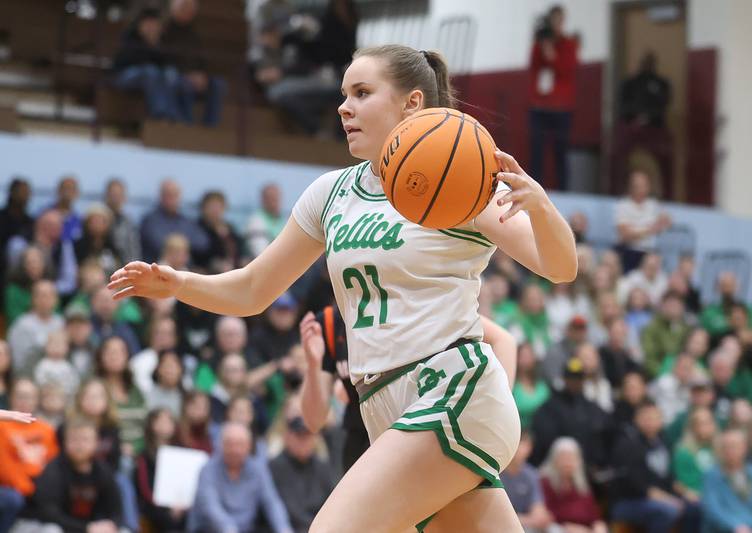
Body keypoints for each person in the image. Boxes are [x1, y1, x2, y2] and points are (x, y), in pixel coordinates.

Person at [108, 43, 577, 532]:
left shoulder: (460, 175)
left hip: (452, 391)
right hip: (384, 406)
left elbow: (559, 267)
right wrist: (178, 283)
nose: (343, 106)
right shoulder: (331, 193)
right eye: (343, 94)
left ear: (411, 104)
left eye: (361, 92)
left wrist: (541, 209)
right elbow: (252, 290)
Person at [299, 306, 517, 472]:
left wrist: (495, 419)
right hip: (364, 442)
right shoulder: (329, 323)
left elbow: (504, 340)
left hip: (428, 434)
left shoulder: (413, 297)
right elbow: (314, 420)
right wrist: (313, 364)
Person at [19, 417, 124, 533]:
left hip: (85, 526)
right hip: (39, 525)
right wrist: (86, 528)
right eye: (74, 439)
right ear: (65, 442)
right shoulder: (53, 470)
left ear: (96, 442)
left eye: (85, 440)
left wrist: (112, 524)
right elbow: (48, 514)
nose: (79, 445)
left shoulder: (103, 471)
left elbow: (116, 510)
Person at [609, 400, 700, 533]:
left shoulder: (663, 442)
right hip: (629, 501)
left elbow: (671, 478)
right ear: (636, 419)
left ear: (661, 420)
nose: (650, 422)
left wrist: (687, 493)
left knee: (695, 507)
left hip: (660, 498)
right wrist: (670, 500)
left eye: (655, 418)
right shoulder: (627, 444)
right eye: (646, 417)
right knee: (668, 511)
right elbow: (639, 486)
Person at [188, 422, 292, 533]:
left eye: (240, 444)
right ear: (221, 445)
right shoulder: (208, 470)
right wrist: (229, 529)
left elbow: (271, 502)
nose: (235, 450)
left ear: (248, 446)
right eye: (230, 444)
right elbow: (210, 506)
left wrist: (284, 529)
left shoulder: (258, 470)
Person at [528, 5, 579, 191]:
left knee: (561, 152)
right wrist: (542, 47)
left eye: (559, 21)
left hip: (561, 107)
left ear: (563, 22)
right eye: (553, 21)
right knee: (536, 153)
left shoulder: (569, 45)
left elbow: (567, 70)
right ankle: (533, 190)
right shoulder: (539, 44)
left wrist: (551, 54)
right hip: (539, 106)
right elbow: (533, 67)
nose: (556, 25)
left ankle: (564, 191)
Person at [0, 379, 58, 532]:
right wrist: (29, 489)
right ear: (11, 398)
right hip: (13, 490)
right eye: (20, 396)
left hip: (39, 491)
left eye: (29, 396)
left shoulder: (47, 430)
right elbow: (5, 467)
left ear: (37, 400)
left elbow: (54, 465)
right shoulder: (2, 426)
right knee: (13, 499)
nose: (24, 401)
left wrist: (42, 489)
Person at [270, 410, 336, 532]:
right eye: (299, 436)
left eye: (308, 436)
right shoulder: (275, 466)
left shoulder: (322, 467)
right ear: (288, 437)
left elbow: (332, 503)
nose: (304, 441)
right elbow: (288, 509)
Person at [161, 0, 225, 126]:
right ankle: (185, 122)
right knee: (183, 83)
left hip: (194, 75)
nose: (188, 12)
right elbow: (163, 57)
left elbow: (201, 59)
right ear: (173, 8)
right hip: (176, 74)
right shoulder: (164, 29)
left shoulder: (193, 33)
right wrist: (188, 75)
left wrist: (203, 75)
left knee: (218, 84)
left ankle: (211, 125)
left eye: (191, 9)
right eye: (184, 7)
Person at [539, 437, 606, 533]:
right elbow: (544, 516)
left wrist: (598, 527)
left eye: (571, 458)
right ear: (554, 460)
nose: (567, 462)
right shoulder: (545, 483)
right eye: (564, 457)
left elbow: (595, 517)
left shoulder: (581, 486)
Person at [614, 171, 671, 273]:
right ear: (631, 187)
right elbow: (625, 234)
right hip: (629, 251)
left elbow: (667, 222)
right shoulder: (623, 205)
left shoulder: (653, 205)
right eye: (637, 186)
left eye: (643, 186)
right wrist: (650, 230)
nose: (640, 189)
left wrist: (638, 231)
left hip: (649, 252)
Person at [499, 432, 555, 533]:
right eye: (519, 443)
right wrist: (530, 520)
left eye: (526, 444)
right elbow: (497, 516)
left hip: (524, 524)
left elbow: (538, 510)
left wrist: (539, 517)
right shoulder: (497, 473)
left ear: (530, 449)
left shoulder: (532, 474)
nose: (520, 448)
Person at [619, 52, 671, 129]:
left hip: (655, 123)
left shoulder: (662, 83)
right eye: (645, 62)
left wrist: (648, 116)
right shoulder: (629, 83)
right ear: (640, 63)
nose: (647, 65)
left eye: (650, 63)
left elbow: (664, 102)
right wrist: (638, 116)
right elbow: (623, 103)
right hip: (632, 122)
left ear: (654, 64)